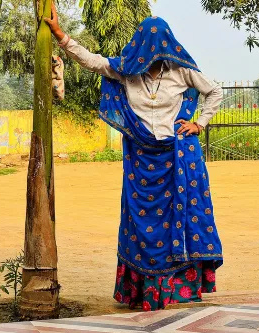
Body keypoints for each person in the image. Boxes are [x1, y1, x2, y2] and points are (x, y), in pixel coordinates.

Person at [45, 3, 223, 311]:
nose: (154, 50)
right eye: (148, 44)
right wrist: (62, 37)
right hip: (141, 162)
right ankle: (142, 292)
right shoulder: (127, 71)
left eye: (159, 43)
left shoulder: (182, 71)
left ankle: (175, 290)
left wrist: (199, 123)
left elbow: (215, 91)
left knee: (177, 221)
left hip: (176, 159)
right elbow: (93, 62)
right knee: (140, 224)